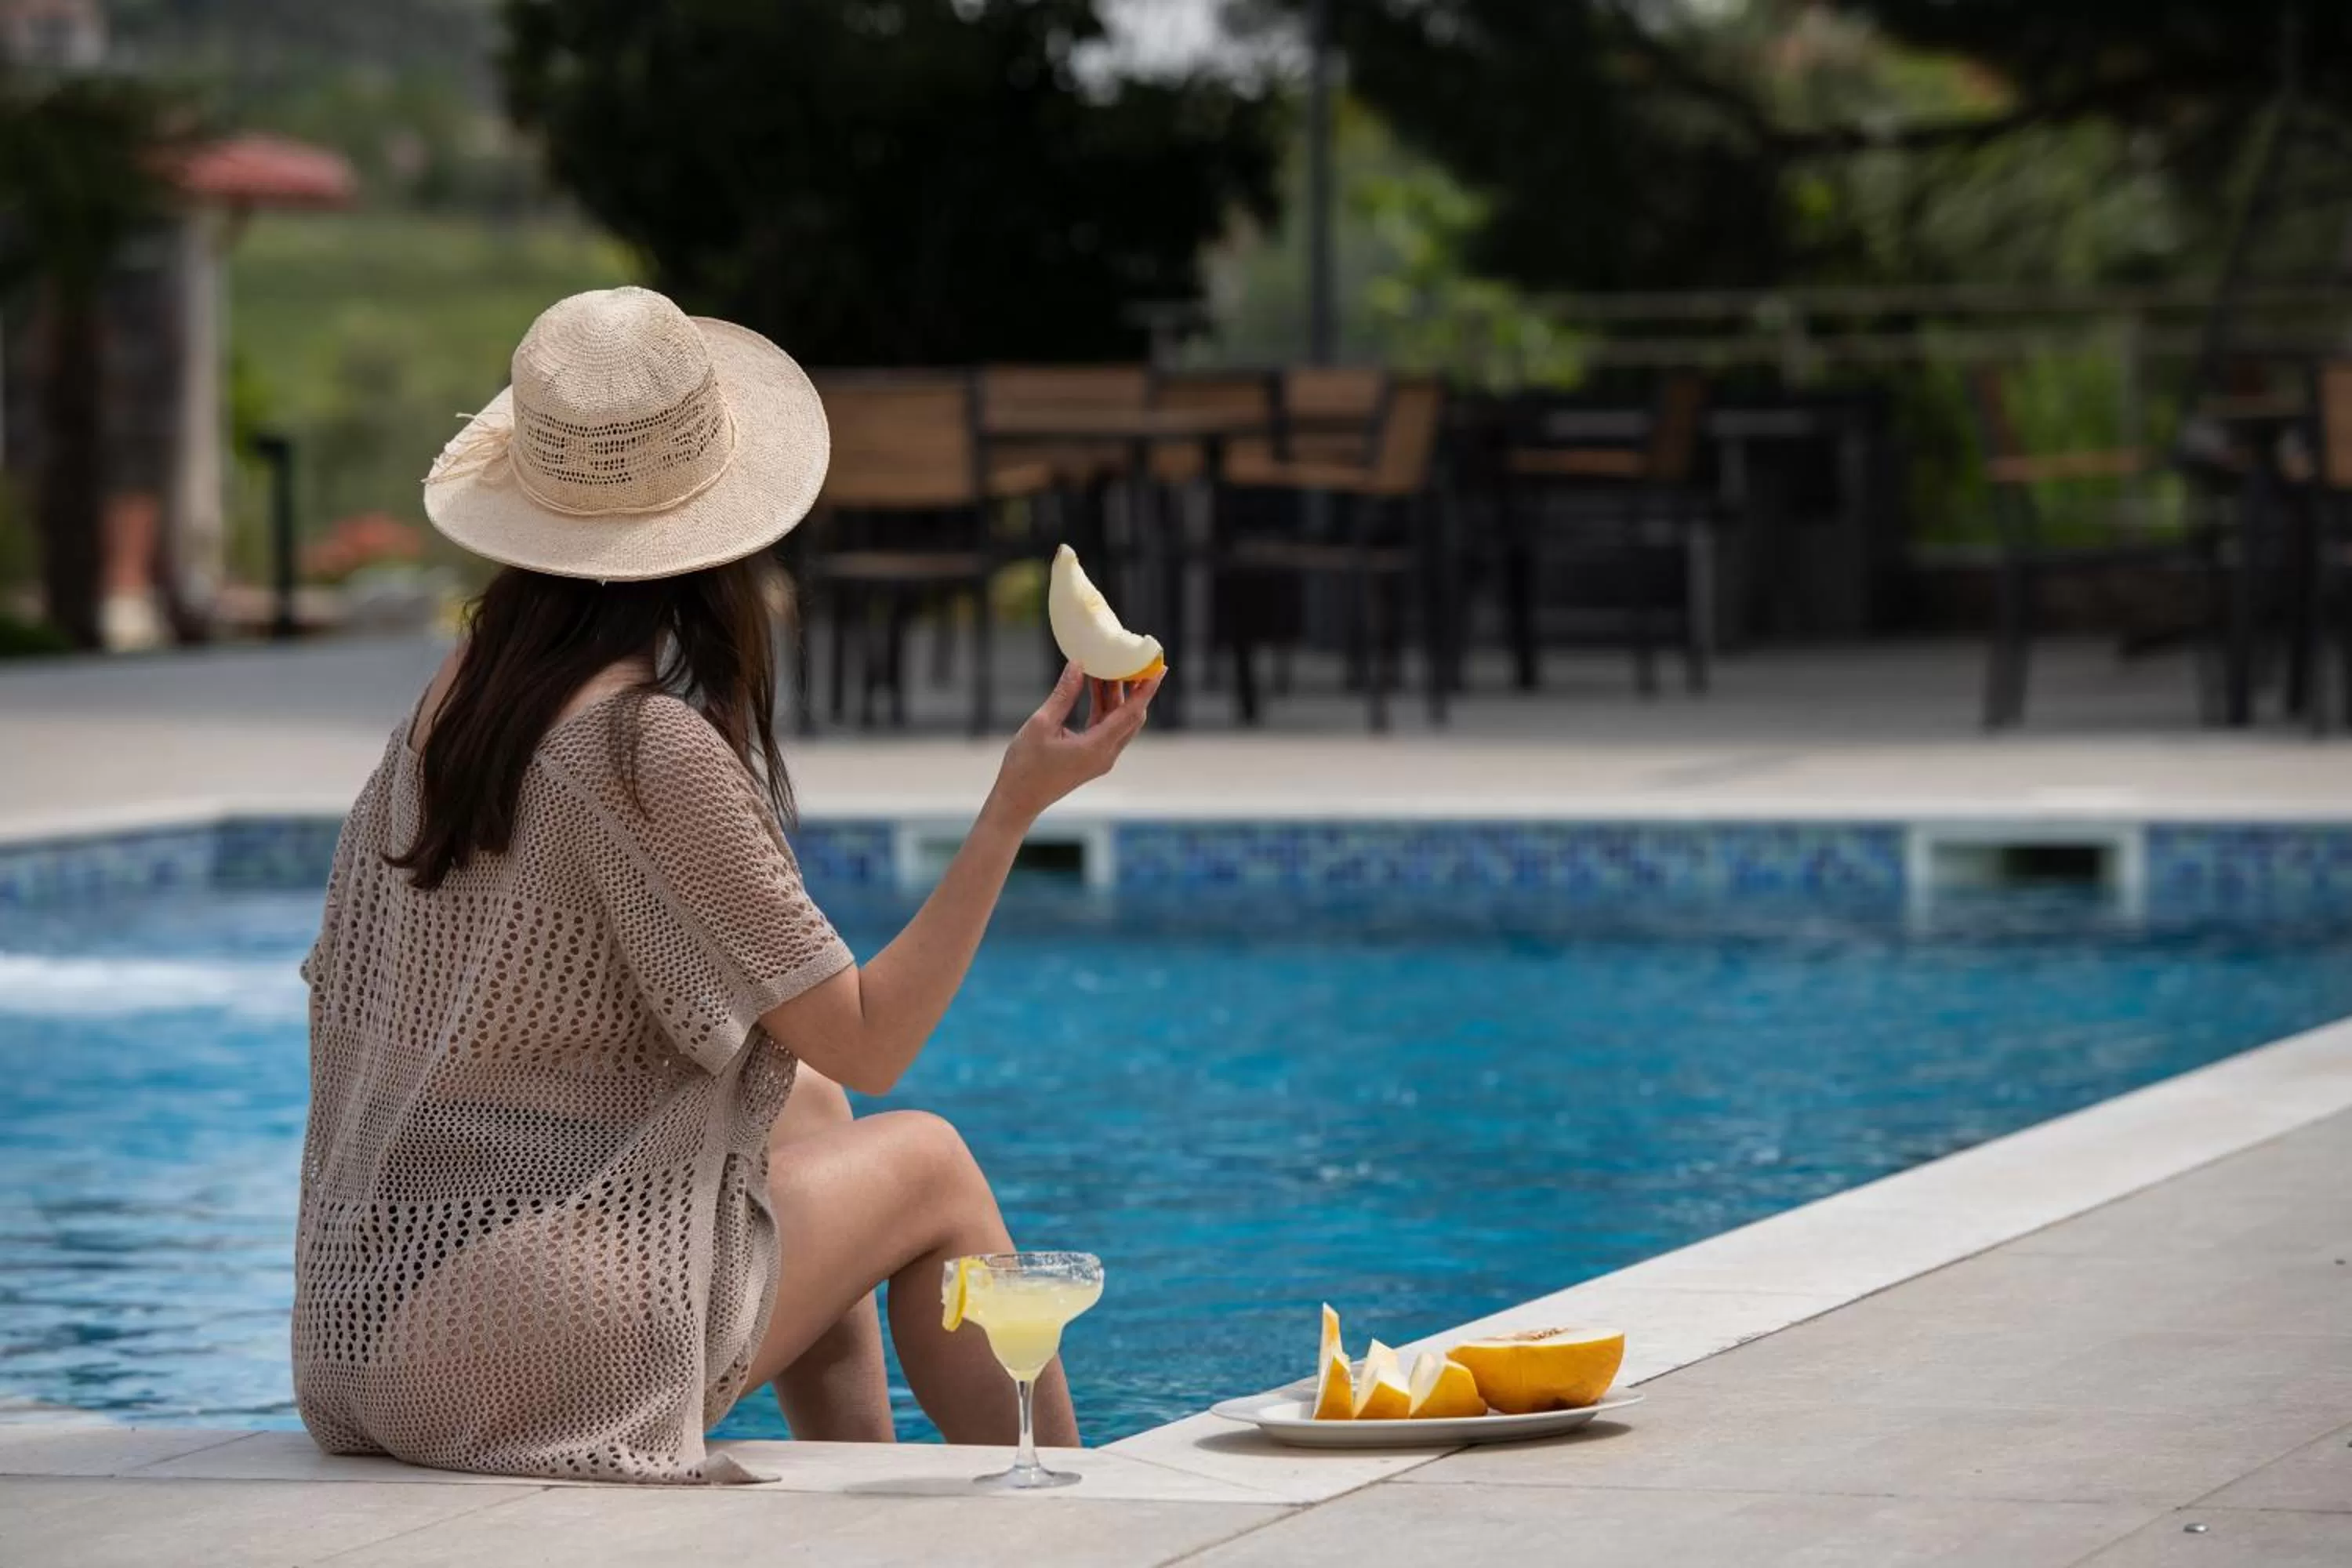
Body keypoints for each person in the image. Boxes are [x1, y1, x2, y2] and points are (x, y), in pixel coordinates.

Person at [292, 286, 1158, 1484]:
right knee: (931, 1161)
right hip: (525, 1345)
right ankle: (1084, 1523)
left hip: (366, 1330)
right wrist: (1013, 806)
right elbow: (872, 1034)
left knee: (803, 1110)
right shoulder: (646, 749)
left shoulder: (455, 703)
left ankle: (849, 1473)